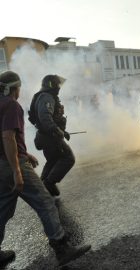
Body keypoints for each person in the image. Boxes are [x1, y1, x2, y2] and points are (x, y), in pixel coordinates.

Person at [0, 71, 91, 268]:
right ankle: (62, 248)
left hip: (2, 164)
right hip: (11, 165)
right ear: (13, 88)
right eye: (18, 87)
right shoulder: (11, 105)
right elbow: (7, 137)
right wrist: (17, 168)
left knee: (2, 210)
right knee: (46, 202)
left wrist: (25, 154)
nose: (19, 91)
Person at [28, 75, 75, 197]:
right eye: (57, 85)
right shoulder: (46, 97)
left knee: (52, 160)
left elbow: (49, 119)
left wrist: (62, 131)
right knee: (68, 158)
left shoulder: (44, 96)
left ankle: (42, 187)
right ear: (51, 85)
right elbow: (45, 117)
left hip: (45, 136)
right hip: (50, 137)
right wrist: (56, 130)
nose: (59, 87)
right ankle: (49, 183)